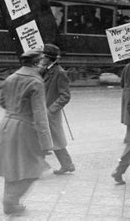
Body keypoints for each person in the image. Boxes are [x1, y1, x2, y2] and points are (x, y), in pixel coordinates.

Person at [0, 49, 53, 215]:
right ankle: (10, 200)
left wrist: (15, 110)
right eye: (42, 62)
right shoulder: (36, 82)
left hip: (5, 126)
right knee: (36, 166)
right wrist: (46, 143)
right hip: (23, 128)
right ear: (36, 63)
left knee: (12, 166)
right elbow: (40, 115)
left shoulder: (10, 78)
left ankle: (11, 203)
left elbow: (2, 102)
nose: (44, 65)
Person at [40, 44, 75, 175]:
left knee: (54, 140)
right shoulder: (45, 70)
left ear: (49, 58)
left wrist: (51, 110)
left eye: (43, 56)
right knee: (48, 139)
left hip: (50, 113)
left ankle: (66, 164)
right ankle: (67, 164)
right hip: (43, 111)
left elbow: (65, 95)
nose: (41, 58)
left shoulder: (59, 72)